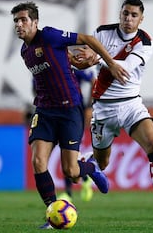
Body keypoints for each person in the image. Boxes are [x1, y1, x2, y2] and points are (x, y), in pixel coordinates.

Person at [10, 1, 128, 229]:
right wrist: (80, 64)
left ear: (35, 22)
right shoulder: (25, 51)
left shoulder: (51, 36)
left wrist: (109, 63)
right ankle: (52, 213)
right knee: (38, 161)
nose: (19, 24)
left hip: (69, 109)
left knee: (72, 172)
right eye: (16, 20)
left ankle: (91, 167)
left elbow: (88, 40)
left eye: (24, 19)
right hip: (44, 110)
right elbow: (66, 63)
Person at [75, 0, 153, 223]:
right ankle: (89, 164)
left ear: (141, 19)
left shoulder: (145, 41)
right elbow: (82, 57)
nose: (128, 19)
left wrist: (99, 58)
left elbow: (124, 69)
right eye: (125, 14)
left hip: (132, 104)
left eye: (134, 15)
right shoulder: (102, 33)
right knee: (102, 164)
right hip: (103, 108)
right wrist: (83, 59)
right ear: (119, 14)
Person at [58, 68, 95, 203]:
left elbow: (92, 80)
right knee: (65, 152)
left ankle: (71, 190)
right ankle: (84, 177)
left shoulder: (71, 68)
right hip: (55, 112)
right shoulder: (42, 68)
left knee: (68, 151)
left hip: (74, 113)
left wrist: (89, 105)